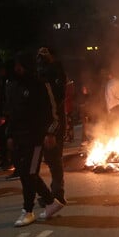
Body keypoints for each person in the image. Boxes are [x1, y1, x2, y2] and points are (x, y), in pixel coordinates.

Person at [8, 51, 64, 227]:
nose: (17, 68)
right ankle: (50, 202)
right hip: (18, 137)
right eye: (15, 65)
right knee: (25, 172)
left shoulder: (39, 85)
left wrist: (50, 133)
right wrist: (9, 134)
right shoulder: (13, 86)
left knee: (29, 173)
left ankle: (28, 210)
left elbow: (53, 113)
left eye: (20, 65)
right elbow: (11, 113)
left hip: (36, 139)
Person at [36, 46, 67, 205]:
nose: (40, 57)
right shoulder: (39, 74)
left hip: (54, 124)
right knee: (43, 161)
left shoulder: (56, 73)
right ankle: (50, 194)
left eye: (44, 53)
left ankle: (57, 194)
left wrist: (52, 131)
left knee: (55, 160)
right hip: (41, 125)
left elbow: (58, 99)